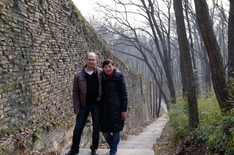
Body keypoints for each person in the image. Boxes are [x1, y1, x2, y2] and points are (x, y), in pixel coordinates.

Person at [66, 52, 102, 155]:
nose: (91, 61)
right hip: (83, 105)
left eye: (93, 59)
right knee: (78, 128)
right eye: (89, 59)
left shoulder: (100, 73)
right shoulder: (78, 75)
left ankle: (94, 148)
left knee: (96, 129)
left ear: (96, 61)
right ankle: (74, 149)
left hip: (97, 105)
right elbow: (75, 92)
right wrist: (76, 108)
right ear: (86, 60)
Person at [100, 59, 128, 155]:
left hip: (117, 107)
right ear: (103, 68)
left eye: (109, 67)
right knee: (104, 130)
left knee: (116, 129)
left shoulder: (119, 77)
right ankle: (113, 146)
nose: (108, 69)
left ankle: (113, 151)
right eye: (106, 67)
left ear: (113, 66)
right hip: (104, 108)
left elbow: (123, 94)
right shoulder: (101, 77)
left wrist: (123, 109)